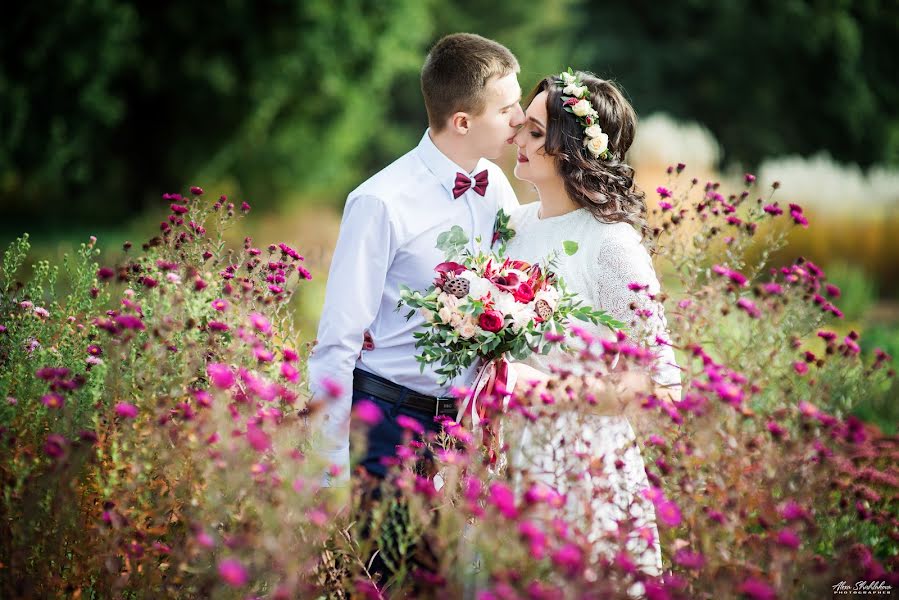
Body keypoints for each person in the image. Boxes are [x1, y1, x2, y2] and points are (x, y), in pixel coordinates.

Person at [307, 33, 524, 488]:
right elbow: (338, 338)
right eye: (507, 110)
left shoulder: (497, 186)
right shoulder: (379, 201)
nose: (519, 121)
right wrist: (329, 470)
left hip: (464, 423)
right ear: (462, 121)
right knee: (384, 560)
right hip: (386, 418)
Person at [504, 70, 683, 584]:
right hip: (510, 459)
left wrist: (550, 389)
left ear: (572, 147)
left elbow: (664, 384)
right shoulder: (512, 226)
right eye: (522, 127)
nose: (517, 137)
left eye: (535, 132)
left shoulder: (611, 244)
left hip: (585, 469)